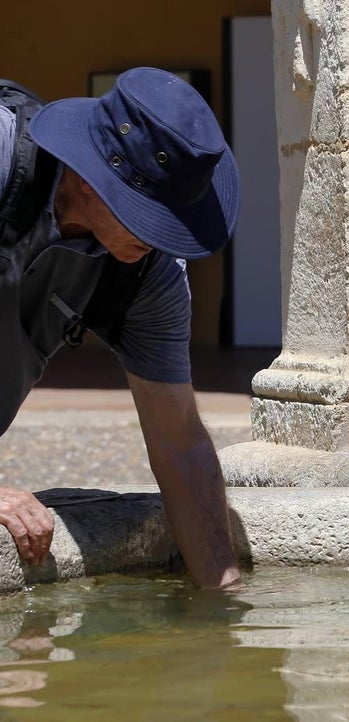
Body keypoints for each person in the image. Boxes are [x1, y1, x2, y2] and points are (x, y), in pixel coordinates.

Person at [0, 67, 242, 587]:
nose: (161, 239)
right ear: (89, 177)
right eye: (149, 216)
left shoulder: (148, 273)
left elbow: (180, 443)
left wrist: (224, 611)